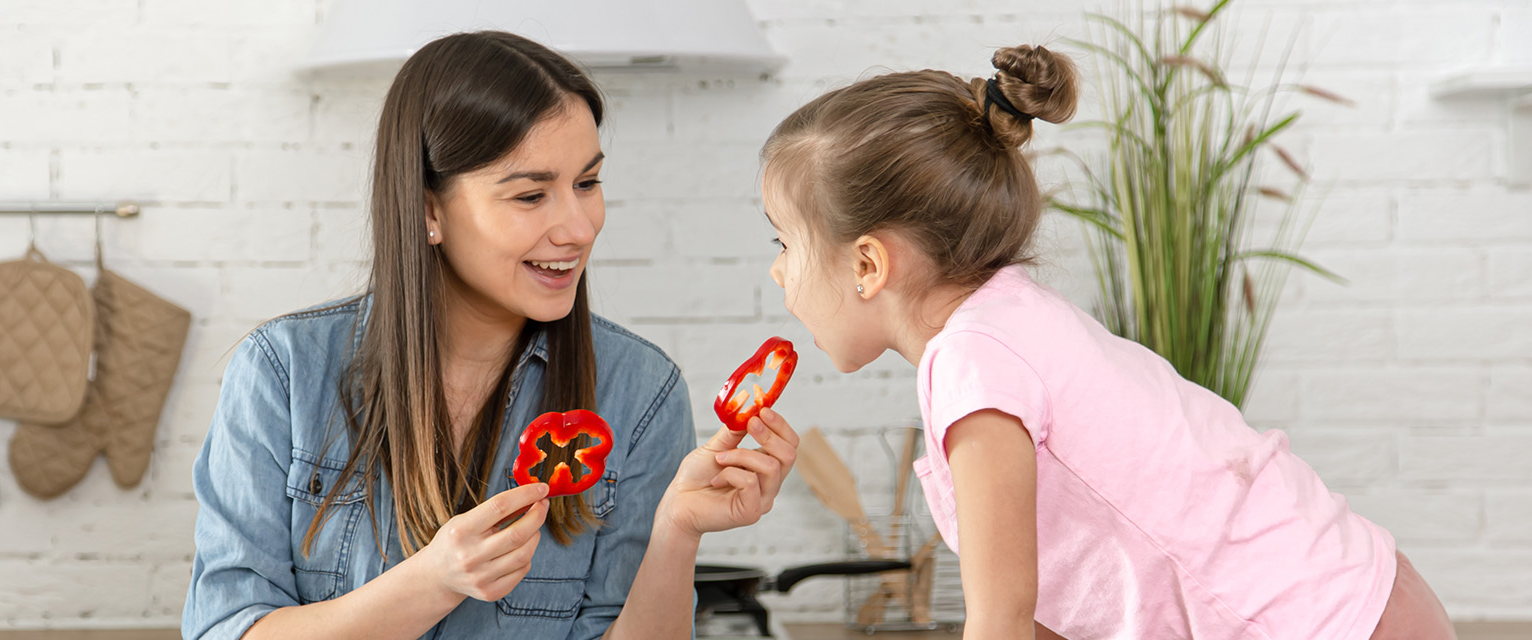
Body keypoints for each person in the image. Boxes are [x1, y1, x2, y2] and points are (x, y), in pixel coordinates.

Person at [752, 43, 1457, 639]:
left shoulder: (971, 365)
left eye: (785, 240)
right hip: (1363, 595)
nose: (779, 270)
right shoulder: (1013, 321)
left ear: (869, 265)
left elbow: (1002, 618)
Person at [183, 30, 800, 640]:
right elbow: (226, 630)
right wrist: (434, 581)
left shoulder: (640, 391)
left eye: (587, 183)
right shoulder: (285, 370)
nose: (579, 227)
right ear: (429, 211)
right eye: (532, 195)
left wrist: (679, 528)